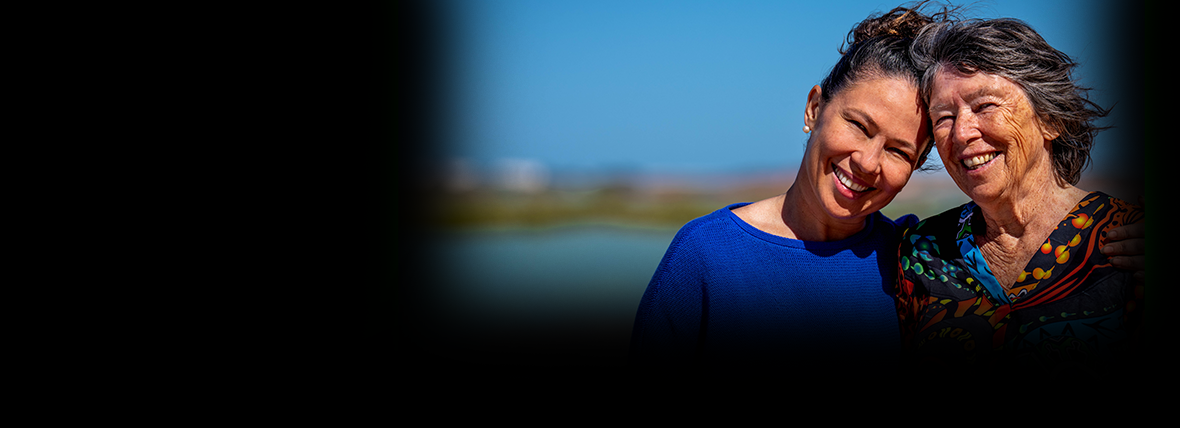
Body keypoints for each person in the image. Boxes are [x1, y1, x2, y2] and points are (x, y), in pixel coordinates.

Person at [630, 3, 1145, 375]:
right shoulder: (705, 256)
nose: (868, 163)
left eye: (900, 152)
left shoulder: (908, 252)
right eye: (857, 124)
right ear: (814, 109)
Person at [895, 17, 1145, 374]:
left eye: (985, 106)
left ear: (1050, 119)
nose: (962, 133)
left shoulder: (1127, 239)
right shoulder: (919, 251)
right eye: (944, 117)